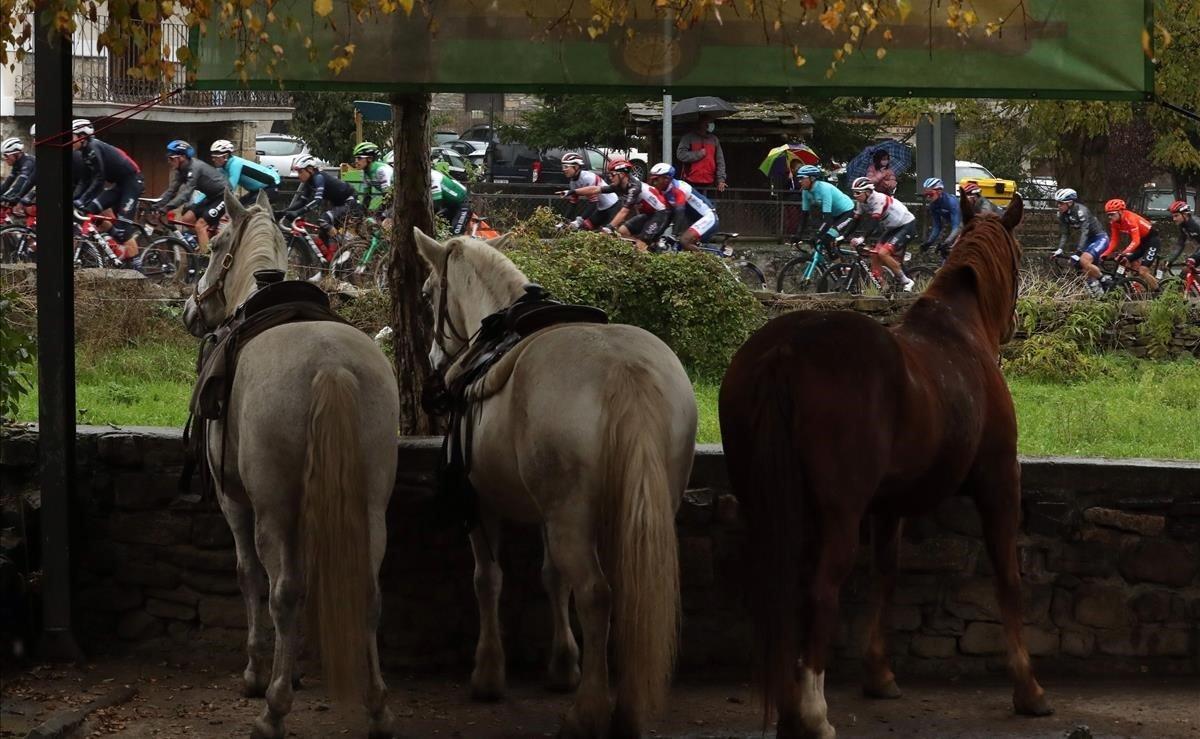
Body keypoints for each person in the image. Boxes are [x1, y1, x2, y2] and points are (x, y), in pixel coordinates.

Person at [72, 118, 144, 263]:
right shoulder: (85, 152)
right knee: (91, 210)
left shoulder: (93, 148)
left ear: (82, 136)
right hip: (120, 184)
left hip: (132, 182)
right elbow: (85, 181)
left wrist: (83, 199)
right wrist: (75, 199)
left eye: (72, 137)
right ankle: (116, 243)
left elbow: (99, 180)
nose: (70, 141)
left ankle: (137, 268)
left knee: (123, 230)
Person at [574, 159, 670, 251]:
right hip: (648, 214)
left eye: (612, 174)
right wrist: (573, 191)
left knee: (640, 245)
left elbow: (624, 211)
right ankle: (650, 246)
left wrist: (609, 227)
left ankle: (644, 250)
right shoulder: (621, 184)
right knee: (622, 231)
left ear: (622, 174)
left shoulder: (634, 187)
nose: (610, 177)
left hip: (659, 214)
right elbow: (596, 189)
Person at [153, 140, 229, 254]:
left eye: (172, 158)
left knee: (200, 226)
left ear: (182, 157)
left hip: (224, 195)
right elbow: (171, 191)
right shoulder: (181, 170)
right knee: (187, 219)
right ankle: (207, 241)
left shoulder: (195, 168)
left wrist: (167, 207)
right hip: (211, 197)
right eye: (168, 158)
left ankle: (206, 260)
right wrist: (157, 204)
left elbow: (186, 194)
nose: (169, 161)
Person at [849, 176, 916, 291]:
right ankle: (884, 286)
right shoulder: (862, 201)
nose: (855, 196)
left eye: (858, 193)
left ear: (868, 192)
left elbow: (874, 223)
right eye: (854, 193)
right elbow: (856, 221)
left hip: (906, 225)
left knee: (883, 253)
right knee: (875, 253)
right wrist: (842, 236)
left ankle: (907, 281)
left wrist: (862, 238)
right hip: (892, 228)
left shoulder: (878, 199)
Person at [282, 155, 359, 247]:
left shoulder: (319, 177)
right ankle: (333, 257)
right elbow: (302, 202)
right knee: (322, 234)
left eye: (300, 172)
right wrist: (284, 211)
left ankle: (347, 246)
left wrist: (297, 212)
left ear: (310, 169)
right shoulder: (309, 182)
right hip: (338, 204)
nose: (299, 176)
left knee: (323, 220)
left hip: (350, 202)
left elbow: (317, 201)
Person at [647, 162, 719, 252]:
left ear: (666, 179)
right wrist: (656, 235)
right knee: (681, 248)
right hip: (698, 220)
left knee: (685, 241)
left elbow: (679, 211)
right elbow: (668, 216)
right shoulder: (666, 191)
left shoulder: (678, 188)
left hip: (709, 217)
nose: (653, 183)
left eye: (656, 179)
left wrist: (674, 234)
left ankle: (710, 264)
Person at [1052, 188, 1108, 296]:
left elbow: (1084, 232)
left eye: (1060, 203)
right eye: (1057, 203)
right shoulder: (1062, 215)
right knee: (1078, 265)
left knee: (1083, 260)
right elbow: (1065, 234)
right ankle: (1098, 294)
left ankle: (1105, 281)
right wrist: (1059, 249)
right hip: (1088, 240)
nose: (1058, 205)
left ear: (1069, 202)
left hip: (1099, 238)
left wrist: (1078, 252)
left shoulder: (1081, 211)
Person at [793, 164, 857, 254]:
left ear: (812, 178)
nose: (799, 181)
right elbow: (804, 216)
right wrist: (798, 234)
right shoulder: (805, 191)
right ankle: (838, 267)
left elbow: (827, 219)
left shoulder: (824, 189)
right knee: (826, 242)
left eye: (802, 178)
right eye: (798, 178)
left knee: (827, 238)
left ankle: (840, 266)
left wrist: (817, 235)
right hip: (835, 215)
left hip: (847, 212)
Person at [208, 139, 281, 216]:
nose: (213, 159)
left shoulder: (235, 164)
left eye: (216, 157)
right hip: (256, 191)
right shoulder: (222, 168)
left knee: (244, 213)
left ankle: (277, 219)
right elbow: (214, 185)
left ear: (225, 156)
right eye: (212, 156)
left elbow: (230, 188)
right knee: (238, 209)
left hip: (271, 187)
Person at [1103, 198, 1160, 291]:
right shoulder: (1114, 223)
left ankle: (1160, 294)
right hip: (1142, 242)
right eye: (1108, 215)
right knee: (1123, 262)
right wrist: (1104, 254)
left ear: (1121, 212)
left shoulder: (1130, 219)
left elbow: (1135, 241)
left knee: (1143, 271)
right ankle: (1134, 288)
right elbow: (1114, 240)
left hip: (1151, 241)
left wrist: (1124, 252)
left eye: (1112, 214)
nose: (1110, 217)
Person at [556, 152, 620, 231]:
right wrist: (564, 222)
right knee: (585, 229)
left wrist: (579, 221)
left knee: (608, 234)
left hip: (612, 205)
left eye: (566, 167)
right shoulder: (573, 182)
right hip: (601, 208)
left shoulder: (588, 178)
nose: (563, 169)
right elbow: (573, 204)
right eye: (563, 166)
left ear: (576, 167)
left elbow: (593, 203)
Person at [675, 115, 727, 192]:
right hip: (690, 181)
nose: (709, 124)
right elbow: (680, 154)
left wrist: (721, 180)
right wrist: (698, 154)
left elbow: (720, 161)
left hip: (710, 181)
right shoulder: (688, 138)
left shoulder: (714, 140)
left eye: (710, 122)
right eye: (707, 122)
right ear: (700, 123)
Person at [920, 177, 962, 255]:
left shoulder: (951, 202)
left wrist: (947, 242)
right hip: (955, 226)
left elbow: (957, 227)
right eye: (926, 195)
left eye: (930, 194)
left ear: (939, 191)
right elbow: (937, 227)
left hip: (965, 224)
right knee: (945, 252)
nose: (928, 197)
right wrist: (929, 242)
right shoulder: (933, 205)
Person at [351, 141, 393, 214]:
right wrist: (361, 215)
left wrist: (378, 214)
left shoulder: (381, 170)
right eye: (355, 158)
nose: (356, 161)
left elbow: (388, 197)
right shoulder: (366, 173)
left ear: (369, 159)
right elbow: (367, 197)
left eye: (359, 158)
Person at [431, 165, 470, 236]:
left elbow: (435, 205)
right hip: (450, 205)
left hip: (462, 204)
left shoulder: (433, 178)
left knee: (455, 235)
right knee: (441, 228)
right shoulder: (433, 174)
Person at [1, 138, 36, 214]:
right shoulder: (17, 164)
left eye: (6, 155)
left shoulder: (28, 163)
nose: (5, 158)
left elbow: (20, 184)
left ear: (16, 154)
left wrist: (6, 197)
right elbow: (7, 183)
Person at [1168, 200, 1200, 270]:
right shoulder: (1183, 225)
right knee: (1186, 270)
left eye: (1176, 216)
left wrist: (1194, 257)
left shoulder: (1196, 224)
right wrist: (1170, 259)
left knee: (1189, 267)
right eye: (1173, 216)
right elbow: (1180, 244)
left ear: (1185, 214)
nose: (1174, 219)